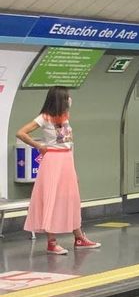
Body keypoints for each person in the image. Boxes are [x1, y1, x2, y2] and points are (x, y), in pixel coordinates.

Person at [15, 86, 101, 254]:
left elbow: (68, 142)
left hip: (66, 159)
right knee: (51, 199)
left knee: (71, 198)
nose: (69, 100)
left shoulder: (65, 117)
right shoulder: (44, 117)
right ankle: (51, 242)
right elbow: (21, 133)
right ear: (59, 99)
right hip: (53, 160)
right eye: (67, 97)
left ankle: (79, 237)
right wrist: (39, 146)